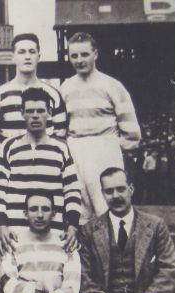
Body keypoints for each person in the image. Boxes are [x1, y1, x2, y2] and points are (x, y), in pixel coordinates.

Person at [60, 32, 141, 223]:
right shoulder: (66, 88)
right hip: (75, 149)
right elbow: (60, 126)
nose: (79, 60)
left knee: (108, 204)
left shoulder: (112, 85)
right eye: (74, 56)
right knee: (79, 206)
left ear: (95, 54)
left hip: (105, 148)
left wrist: (112, 146)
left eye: (84, 54)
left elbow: (131, 130)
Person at [0, 88, 81, 254]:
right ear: (22, 113)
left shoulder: (61, 148)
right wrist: (1, 225)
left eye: (40, 111)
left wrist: (72, 226)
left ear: (49, 113)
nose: (35, 116)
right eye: (30, 111)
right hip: (15, 233)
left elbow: (72, 190)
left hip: (52, 232)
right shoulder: (8, 146)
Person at [0, 33, 67, 141]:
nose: (27, 57)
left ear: (38, 57)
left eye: (32, 52)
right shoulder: (0, 94)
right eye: (21, 52)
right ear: (13, 57)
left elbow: (60, 134)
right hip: (10, 151)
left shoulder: (53, 94)